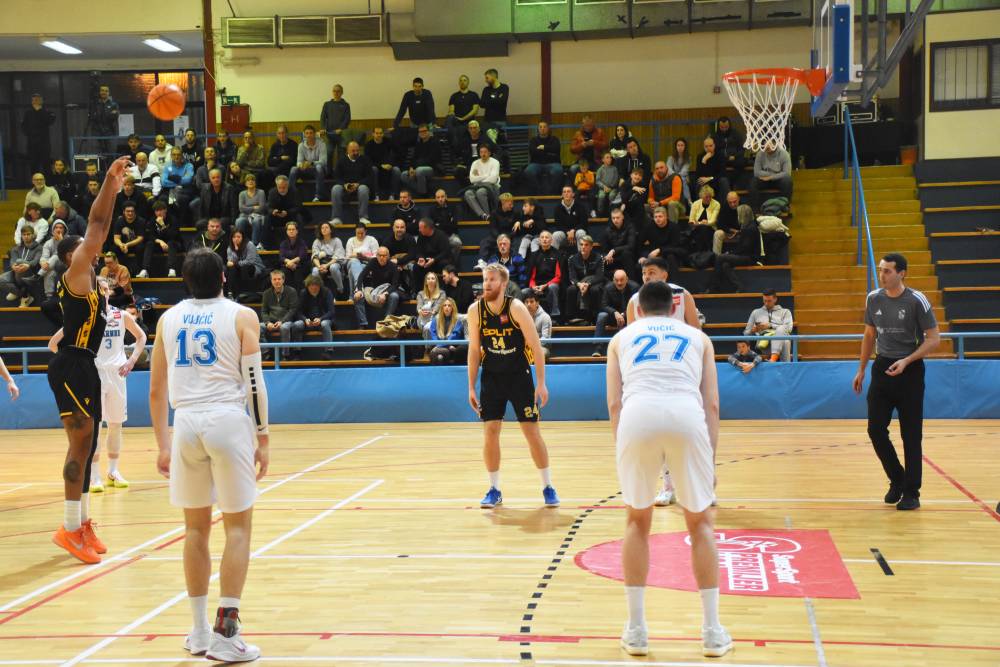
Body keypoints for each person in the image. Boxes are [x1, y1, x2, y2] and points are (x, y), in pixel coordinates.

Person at [150, 248, 268, 662]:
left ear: (186, 281)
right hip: (227, 419)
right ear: (223, 278)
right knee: (238, 529)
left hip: (185, 424)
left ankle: (199, 631)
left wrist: (162, 444)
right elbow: (254, 384)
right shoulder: (242, 316)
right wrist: (263, 437)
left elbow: (156, 390)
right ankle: (225, 634)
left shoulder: (167, 319)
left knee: (195, 530)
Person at [606, 280, 731, 659]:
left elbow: (614, 403)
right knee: (700, 523)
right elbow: (712, 404)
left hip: (637, 416)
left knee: (636, 522)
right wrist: (709, 459)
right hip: (685, 415)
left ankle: (637, 630)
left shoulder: (620, 339)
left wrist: (622, 446)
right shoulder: (699, 338)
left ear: (638, 309)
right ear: (674, 307)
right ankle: (712, 632)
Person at [45, 155, 129, 564]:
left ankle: (82, 523)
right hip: (72, 364)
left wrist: (114, 190)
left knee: (90, 442)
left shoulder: (92, 278)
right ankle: (68, 527)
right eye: (83, 247)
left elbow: (101, 227)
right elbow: (96, 225)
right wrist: (109, 181)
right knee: (79, 444)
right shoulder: (77, 271)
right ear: (71, 256)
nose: (92, 248)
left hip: (86, 364)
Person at [853, 253, 940, 511]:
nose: (882, 275)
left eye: (888, 271)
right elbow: (869, 335)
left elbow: (934, 339)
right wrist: (861, 369)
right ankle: (898, 479)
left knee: (911, 434)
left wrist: (907, 360)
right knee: (875, 429)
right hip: (882, 368)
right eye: (881, 270)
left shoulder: (916, 300)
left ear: (902, 273)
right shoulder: (873, 298)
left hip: (910, 371)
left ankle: (912, 492)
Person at [467, 263, 558, 508]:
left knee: (531, 432)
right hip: (492, 378)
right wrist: (471, 387)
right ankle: (494, 489)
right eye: (485, 279)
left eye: (492, 279)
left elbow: (536, 347)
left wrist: (541, 383)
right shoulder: (475, 311)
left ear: (504, 283)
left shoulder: (516, 307)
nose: (487, 284)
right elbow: (474, 350)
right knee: (490, 432)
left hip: (519, 376)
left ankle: (548, 486)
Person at [48, 277, 146, 492]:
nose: (103, 292)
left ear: (109, 292)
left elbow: (141, 337)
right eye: (99, 289)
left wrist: (131, 360)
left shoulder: (121, 315)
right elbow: (53, 344)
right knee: (95, 427)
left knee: (116, 424)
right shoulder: (84, 317)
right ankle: (94, 476)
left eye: (105, 289)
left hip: (117, 374)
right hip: (94, 374)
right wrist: (74, 364)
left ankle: (114, 470)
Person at [707, 204, 762, 293]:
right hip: (747, 255)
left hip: (750, 258)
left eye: (739, 214)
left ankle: (713, 287)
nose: (737, 216)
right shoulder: (749, 226)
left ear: (743, 215)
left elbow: (744, 248)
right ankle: (739, 286)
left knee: (720, 257)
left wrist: (730, 253)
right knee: (725, 265)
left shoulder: (749, 228)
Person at [353, 246, 401, 329]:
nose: (382, 258)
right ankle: (363, 323)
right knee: (357, 296)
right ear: (377, 256)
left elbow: (395, 285)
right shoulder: (373, 262)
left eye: (384, 255)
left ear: (388, 256)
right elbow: (361, 276)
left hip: (388, 290)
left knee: (394, 296)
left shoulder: (393, 266)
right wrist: (359, 290)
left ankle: (386, 321)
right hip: (375, 290)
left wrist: (385, 294)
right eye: (380, 255)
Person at [595, 269, 638, 356]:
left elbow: (636, 305)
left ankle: (633, 348)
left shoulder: (635, 287)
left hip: (629, 317)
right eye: (617, 280)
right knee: (602, 315)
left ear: (627, 279)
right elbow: (604, 305)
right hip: (613, 317)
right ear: (613, 280)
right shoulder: (608, 288)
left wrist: (623, 314)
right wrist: (615, 312)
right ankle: (598, 347)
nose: (619, 283)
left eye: (622, 280)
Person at [744, 288, 794, 362]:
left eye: (769, 301)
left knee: (783, 333)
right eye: (765, 301)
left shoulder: (786, 312)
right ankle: (785, 367)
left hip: (781, 341)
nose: (766, 303)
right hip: (764, 345)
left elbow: (789, 328)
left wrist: (770, 325)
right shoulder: (755, 312)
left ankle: (773, 359)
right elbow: (746, 333)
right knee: (785, 341)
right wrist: (752, 331)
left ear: (775, 299)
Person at [330, 141, 373, 226]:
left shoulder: (365, 160)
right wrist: (344, 185)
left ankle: (363, 217)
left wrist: (358, 184)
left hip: (360, 186)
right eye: (353, 151)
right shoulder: (341, 160)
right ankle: (336, 218)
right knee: (335, 189)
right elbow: (336, 177)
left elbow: (369, 177)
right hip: (345, 187)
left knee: (363, 189)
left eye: (357, 150)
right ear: (347, 151)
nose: (356, 152)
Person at [259, 269, 299, 360]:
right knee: (257, 327)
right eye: (274, 279)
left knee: (284, 327)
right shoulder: (266, 293)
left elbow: (293, 310)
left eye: (279, 279)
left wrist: (282, 321)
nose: (277, 281)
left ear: (283, 280)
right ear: (271, 281)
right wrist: (267, 322)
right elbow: (264, 311)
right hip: (271, 321)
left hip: (287, 321)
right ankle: (265, 353)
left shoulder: (291, 291)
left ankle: (286, 355)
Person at [565, 235, 605, 325]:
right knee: (570, 289)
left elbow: (600, 276)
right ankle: (571, 318)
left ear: (591, 247)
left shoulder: (598, 257)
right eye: (581, 244)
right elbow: (572, 277)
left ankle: (594, 317)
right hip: (579, 283)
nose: (583, 247)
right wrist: (579, 284)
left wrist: (588, 284)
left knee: (595, 290)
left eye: (586, 245)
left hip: (594, 282)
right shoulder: (572, 259)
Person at [637, 206, 686, 278]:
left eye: (660, 216)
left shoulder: (674, 227)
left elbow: (676, 247)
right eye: (655, 217)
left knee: (671, 257)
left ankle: (673, 283)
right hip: (654, 254)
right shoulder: (649, 227)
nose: (657, 219)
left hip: (669, 253)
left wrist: (660, 250)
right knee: (640, 263)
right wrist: (642, 256)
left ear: (666, 217)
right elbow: (639, 243)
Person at [0, 226, 43, 308]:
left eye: (28, 234)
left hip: (32, 273)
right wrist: (13, 266)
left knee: (19, 261)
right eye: (24, 234)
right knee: (1, 280)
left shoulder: (39, 247)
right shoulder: (16, 248)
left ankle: (20, 293)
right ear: (21, 236)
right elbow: (13, 260)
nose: (26, 236)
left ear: (33, 235)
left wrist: (28, 265)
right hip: (16, 271)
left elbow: (35, 261)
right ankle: (24, 295)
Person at [294, 275, 335, 359]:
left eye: (316, 285)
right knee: (297, 324)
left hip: (323, 319)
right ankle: (297, 352)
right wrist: (305, 319)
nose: (313, 288)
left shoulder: (326, 292)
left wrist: (321, 319)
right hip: (308, 321)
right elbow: (298, 311)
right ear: (307, 286)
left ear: (320, 285)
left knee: (324, 324)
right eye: (311, 286)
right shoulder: (303, 293)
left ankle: (328, 351)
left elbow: (331, 311)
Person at [141, 200, 182, 278]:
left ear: (165, 210)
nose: (159, 213)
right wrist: (160, 241)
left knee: (171, 243)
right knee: (149, 244)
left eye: (160, 210)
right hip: (159, 245)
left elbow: (173, 236)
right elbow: (150, 236)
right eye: (156, 211)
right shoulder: (152, 220)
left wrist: (162, 225)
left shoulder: (173, 219)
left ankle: (172, 269)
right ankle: (145, 270)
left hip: (174, 244)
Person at [528, 230, 562, 320]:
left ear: (551, 240)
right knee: (524, 292)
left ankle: (555, 316)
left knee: (553, 287)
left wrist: (545, 285)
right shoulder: (534, 255)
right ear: (539, 240)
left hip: (550, 284)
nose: (544, 239)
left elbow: (558, 276)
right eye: (542, 237)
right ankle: (527, 318)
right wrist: (533, 286)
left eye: (547, 237)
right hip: (536, 286)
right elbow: (531, 276)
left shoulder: (557, 254)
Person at [400, 124, 442, 196]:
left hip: (432, 168)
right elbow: (413, 159)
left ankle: (422, 195)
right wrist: (411, 168)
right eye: (420, 131)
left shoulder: (435, 142)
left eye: (424, 131)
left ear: (429, 131)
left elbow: (431, 160)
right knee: (403, 175)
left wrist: (415, 169)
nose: (422, 133)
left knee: (419, 171)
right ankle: (424, 191)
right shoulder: (418, 144)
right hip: (418, 169)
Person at [289, 124, 328, 202]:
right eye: (307, 133)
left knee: (319, 167)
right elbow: (298, 162)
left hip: (318, 170)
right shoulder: (301, 146)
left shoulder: (322, 144)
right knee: (293, 169)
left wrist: (311, 163)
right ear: (304, 134)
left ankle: (318, 196)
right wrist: (302, 165)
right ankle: (291, 195)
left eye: (311, 133)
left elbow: (323, 161)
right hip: (305, 169)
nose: (309, 135)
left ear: (314, 134)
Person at [225, 229, 266, 300]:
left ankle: (245, 292)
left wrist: (235, 263)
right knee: (232, 269)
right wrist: (236, 250)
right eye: (234, 237)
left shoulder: (249, 245)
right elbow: (230, 262)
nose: (236, 239)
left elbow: (250, 261)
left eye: (238, 237)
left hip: (254, 267)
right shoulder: (230, 247)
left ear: (242, 237)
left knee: (244, 267)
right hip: (239, 267)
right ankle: (230, 293)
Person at [107, 203, 147, 275]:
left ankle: (140, 271)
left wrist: (127, 245)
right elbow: (116, 238)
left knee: (140, 247)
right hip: (123, 245)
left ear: (135, 212)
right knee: (114, 248)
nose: (130, 213)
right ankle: (120, 271)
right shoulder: (119, 221)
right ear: (124, 212)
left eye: (132, 211)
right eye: (128, 211)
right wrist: (121, 245)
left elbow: (140, 238)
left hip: (135, 244)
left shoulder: (141, 221)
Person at [751, 143, 793, 211]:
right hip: (764, 179)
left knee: (787, 180)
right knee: (753, 182)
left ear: (775, 143)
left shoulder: (784, 154)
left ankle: (784, 206)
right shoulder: (760, 154)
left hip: (778, 180)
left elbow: (787, 173)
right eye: (765, 144)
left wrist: (772, 177)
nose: (767, 146)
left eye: (769, 144)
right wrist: (772, 175)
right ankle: (755, 209)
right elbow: (756, 172)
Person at [464, 144, 501, 221]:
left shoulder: (495, 162)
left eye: (485, 152)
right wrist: (486, 176)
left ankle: (488, 215)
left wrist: (479, 179)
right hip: (476, 186)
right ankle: (483, 215)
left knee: (480, 192)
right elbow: (472, 179)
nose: (483, 154)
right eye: (481, 152)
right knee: (467, 193)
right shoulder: (475, 163)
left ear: (489, 153)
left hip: (491, 186)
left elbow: (493, 179)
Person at [22, 92, 56, 176]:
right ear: (32, 101)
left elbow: (50, 121)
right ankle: (35, 182)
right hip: (32, 144)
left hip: (44, 144)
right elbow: (23, 127)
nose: (36, 101)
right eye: (34, 99)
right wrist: (31, 133)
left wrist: (40, 110)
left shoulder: (47, 112)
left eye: (38, 99)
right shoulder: (28, 113)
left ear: (42, 100)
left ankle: (48, 182)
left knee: (46, 165)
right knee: (33, 165)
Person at [364, 127, 400, 200]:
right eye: (377, 133)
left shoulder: (389, 142)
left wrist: (391, 164)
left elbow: (396, 154)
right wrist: (381, 165)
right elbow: (368, 161)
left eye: (380, 133)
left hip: (389, 165)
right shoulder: (368, 145)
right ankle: (376, 195)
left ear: (383, 134)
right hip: (377, 166)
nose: (379, 135)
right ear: (373, 134)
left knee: (396, 170)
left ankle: (393, 195)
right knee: (373, 169)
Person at [266, 176, 301, 249]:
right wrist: (273, 211)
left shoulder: (294, 191)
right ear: (276, 186)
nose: (281, 190)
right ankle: (265, 244)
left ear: (287, 185)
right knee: (267, 219)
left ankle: (298, 243)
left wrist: (287, 212)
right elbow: (269, 207)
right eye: (279, 187)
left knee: (299, 218)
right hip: (276, 217)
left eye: (284, 187)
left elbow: (298, 207)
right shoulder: (272, 192)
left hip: (290, 216)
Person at [311, 221, 346, 295]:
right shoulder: (317, 241)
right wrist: (319, 267)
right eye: (322, 228)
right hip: (321, 263)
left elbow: (337, 256)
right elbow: (315, 256)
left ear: (331, 230)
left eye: (326, 227)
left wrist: (326, 265)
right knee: (315, 270)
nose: (324, 229)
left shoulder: (337, 240)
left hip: (334, 262)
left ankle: (340, 288)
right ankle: (319, 291)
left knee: (333, 267)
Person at [429, 188, 462, 265]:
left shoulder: (453, 207)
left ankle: (452, 264)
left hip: (451, 234)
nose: (440, 199)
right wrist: (447, 223)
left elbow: (454, 224)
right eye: (438, 197)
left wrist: (439, 224)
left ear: (446, 197)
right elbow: (432, 226)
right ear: (435, 198)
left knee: (457, 243)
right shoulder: (432, 210)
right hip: (438, 236)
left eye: (442, 196)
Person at [552, 185, 589, 252]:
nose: (566, 193)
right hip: (565, 235)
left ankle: (581, 256)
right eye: (564, 192)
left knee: (581, 232)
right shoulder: (557, 208)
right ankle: (553, 257)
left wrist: (573, 231)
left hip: (577, 233)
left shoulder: (580, 206)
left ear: (573, 194)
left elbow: (584, 223)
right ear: (562, 195)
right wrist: (568, 232)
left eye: (568, 191)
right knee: (555, 235)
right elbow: (558, 225)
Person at [428, 298, 465, 364]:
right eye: (444, 305)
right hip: (438, 346)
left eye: (449, 305)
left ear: (453, 308)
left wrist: (440, 346)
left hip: (451, 347)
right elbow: (433, 335)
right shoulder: (436, 319)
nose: (446, 307)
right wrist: (438, 345)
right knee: (439, 357)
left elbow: (454, 337)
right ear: (442, 308)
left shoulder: (458, 321)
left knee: (441, 355)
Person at [446, 74, 481, 147]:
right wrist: (452, 113)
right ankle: (453, 145)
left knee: (460, 129)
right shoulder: (454, 96)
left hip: (469, 122)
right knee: (450, 118)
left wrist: (463, 118)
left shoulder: (474, 95)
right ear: (459, 83)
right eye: (461, 80)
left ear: (468, 82)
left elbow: (475, 111)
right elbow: (451, 110)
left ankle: (454, 145)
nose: (462, 82)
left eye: (465, 80)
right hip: (457, 121)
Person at [603, 208, 637, 281]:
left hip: (627, 256)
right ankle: (608, 282)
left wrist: (614, 250)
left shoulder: (630, 227)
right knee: (602, 260)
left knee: (626, 254)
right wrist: (607, 256)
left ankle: (631, 281)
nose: (615, 220)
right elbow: (605, 248)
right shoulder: (608, 230)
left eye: (618, 217)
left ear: (622, 217)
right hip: (613, 258)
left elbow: (631, 246)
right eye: (613, 218)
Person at [320, 84, 351, 161]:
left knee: (341, 155)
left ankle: (341, 169)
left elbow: (347, 119)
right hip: (329, 134)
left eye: (338, 91)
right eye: (334, 91)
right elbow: (323, 117)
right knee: (329, 153)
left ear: (342, 92)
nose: (336, 93)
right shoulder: (327, 104)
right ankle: (329, 169)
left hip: (342, 135)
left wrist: (341, 128)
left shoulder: (346, 105)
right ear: (332, 92)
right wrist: (323, 128)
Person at [38, 220, 68, 300]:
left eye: (61, 228)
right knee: (49, 273)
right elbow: (44, 256)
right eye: (56, 228)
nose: (58, 230)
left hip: (66, 265)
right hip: (52, 267)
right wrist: (43, 262)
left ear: (64, 230)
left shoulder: (69, 240)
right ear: (53, 230)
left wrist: (61, 241)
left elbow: (67, 254)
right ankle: (49, 298)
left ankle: (39, 275)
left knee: (56, 256)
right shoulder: (48, 243)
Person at [345, 222, 379, 293]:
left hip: (367, 263)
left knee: (352, 271)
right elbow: (347, 257)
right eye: (358, 233)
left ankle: (353, 294)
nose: (360, 235)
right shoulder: (350, 240)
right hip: (351, 262)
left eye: (362, 233)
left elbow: (377, 256)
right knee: (354, 261)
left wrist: (365, 257)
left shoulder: (372, 240)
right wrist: (356, 256)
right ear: (355, 231)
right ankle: (359, 287)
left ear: (365, 231)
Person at [694, 136, 729, 204]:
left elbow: (722, 173)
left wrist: (710, 178)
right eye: (706, 146)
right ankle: (699, 206)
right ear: (704, 147)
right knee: (699, 181)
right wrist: (704, 161)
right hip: (705, 181)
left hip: (716, 180)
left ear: (714, 145)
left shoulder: (720, 156)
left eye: (710, 146)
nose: (708, 148)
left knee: (724, 181)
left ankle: (725, 205)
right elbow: (698, 174)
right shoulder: (700, 156)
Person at [687, 185, 720, 254]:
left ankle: (700, 253)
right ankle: (706, 253)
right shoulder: (695, 204)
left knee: (703, 229)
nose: (708, 199)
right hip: (696, 228)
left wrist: (703, 223)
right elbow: (691, 220)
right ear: (701, 196)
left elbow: (713, 221)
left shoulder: (716, 204)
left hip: (710, 229)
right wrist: (698, 223)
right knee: (701, 230)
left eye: (710, 197)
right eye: (706, 197)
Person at [521, 289, 552, 361]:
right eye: (526, 302)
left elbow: (545, 339)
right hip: (524, 347)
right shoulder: (521, 316)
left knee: (541, 353)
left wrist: (532, 346)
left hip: (541, 347)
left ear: (537, 303)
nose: (529, 304)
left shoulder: (545, 317)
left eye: (531, 301)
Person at [235, 174, 266, 244]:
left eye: (252, 180)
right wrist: (254, 207)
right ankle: (241, 242)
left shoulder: (261, 192)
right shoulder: (242, 194)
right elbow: (241, 209)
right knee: (239, 221)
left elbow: (262, 208)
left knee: (256, 221)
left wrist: (247, 208)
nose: (250, 181)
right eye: (248, 180)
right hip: (244, 216)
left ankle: (254, 244)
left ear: (255, 182)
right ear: (245, 183)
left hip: (257, 215)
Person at [480, 68, 510, 143]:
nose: (485, 80)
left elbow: (502, 102)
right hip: (487, 121)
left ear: (493, 76)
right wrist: (497, 99)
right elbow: (482, 104)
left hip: (500, 120)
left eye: (487, 78)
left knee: (502, 142)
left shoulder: (504, 87)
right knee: (488, 143)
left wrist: (489, 100)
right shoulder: (486, 89)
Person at [278, 221, 309, 289]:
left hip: (300, 265)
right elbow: (281, 257)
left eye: (293, 229)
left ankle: (299, 294)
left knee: (298, 274)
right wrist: (289, 263)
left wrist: (291, 262)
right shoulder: (283, 243)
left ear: (297, 231)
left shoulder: (301, 242)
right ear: (286, 231)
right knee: (284, 273)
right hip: (286, 266)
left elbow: (302, 256)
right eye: (289, 229)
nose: (291, 231)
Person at [667, 138, 692, 203]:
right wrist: (675, 176)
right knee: (682, 179)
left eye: (682, 145)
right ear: (676, 147)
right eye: (678, 145)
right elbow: (669, 169)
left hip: (683, 176)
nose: (680, 147)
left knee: (683, 179)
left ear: (685, 147)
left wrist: (677, 176)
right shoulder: (671, 157)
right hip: (672, 176)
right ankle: (688, 200)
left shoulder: (688, 158)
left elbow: (685, 170)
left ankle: (687, 200)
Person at [595, 152, 620, 217]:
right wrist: (604, 187)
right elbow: (598, 181)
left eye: (610, 158)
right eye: (607, 157)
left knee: (612, 196)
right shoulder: (600, 169)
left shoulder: (614, 169)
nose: (609, 159)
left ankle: (612, 213)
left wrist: (611, 187)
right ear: (603, 160)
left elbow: (616, 179)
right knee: (601, 196)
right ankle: (600, 213)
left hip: (613, 188)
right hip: (603, 188)